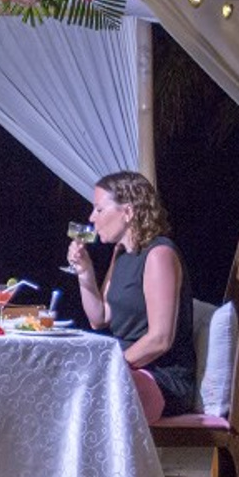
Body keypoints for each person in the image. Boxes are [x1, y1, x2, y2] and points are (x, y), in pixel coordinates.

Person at [66, 170, 195, 424]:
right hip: (128, 369)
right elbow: (99, 318)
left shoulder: (159, 255)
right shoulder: (121, 253)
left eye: (99, 210)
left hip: (161, 377)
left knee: (92, 396)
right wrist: (85, 272)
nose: (92, 218)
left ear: (128, 212)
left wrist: (111, 366)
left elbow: (160, 339)